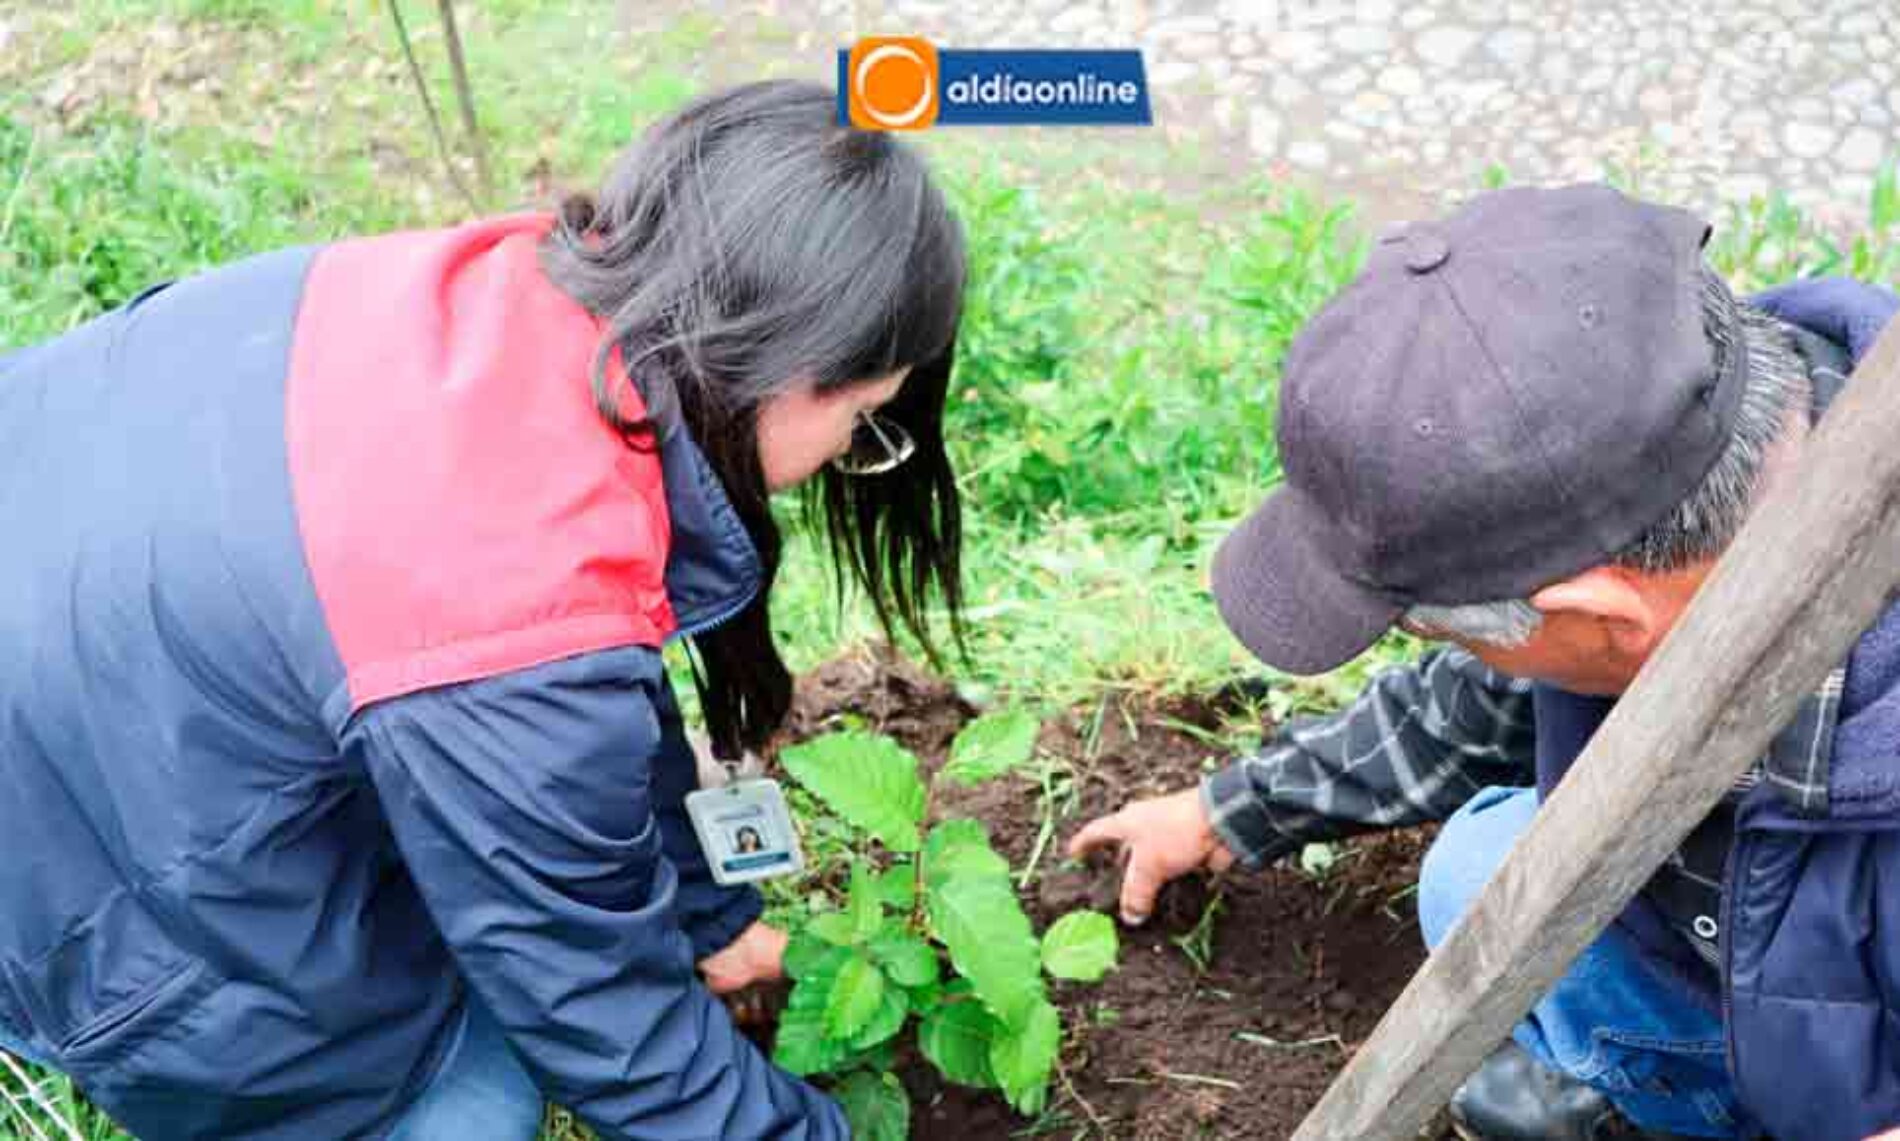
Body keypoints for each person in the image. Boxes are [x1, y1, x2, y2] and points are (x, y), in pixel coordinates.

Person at [0, 80, 966, 1140]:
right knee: (475, 1096)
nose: (844, 458)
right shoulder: (518, 600)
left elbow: (573, 704)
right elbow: (610, 1025)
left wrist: (711, 920)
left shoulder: (516, 305)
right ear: (790, 372)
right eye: (866, 421)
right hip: (62, 866)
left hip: (97, 653)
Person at [1070, 184, 1900, 1141]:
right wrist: (1231, 810)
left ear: (1594, 610)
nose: (1465, 653)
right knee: (1477, 873)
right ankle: (1676, 1088)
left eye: (1444, 627)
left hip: (1852, 1072)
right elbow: (1480, 702)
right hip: (1765, 969)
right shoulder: (1694, 451)